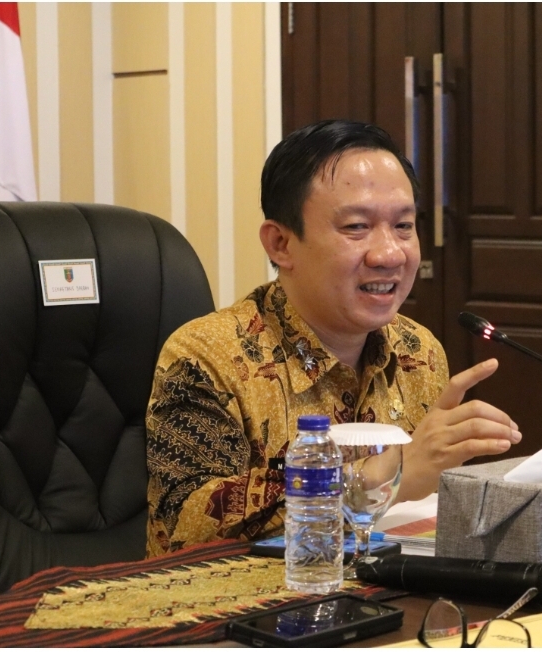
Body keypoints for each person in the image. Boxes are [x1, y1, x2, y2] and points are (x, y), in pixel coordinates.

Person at [145, 120, 520, 557]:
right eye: (357, 227)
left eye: (403, 226)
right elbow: (186, 526)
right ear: (281, 243)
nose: (390, 254)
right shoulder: (207, 356)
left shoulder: (418, 351)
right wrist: (384, 475)